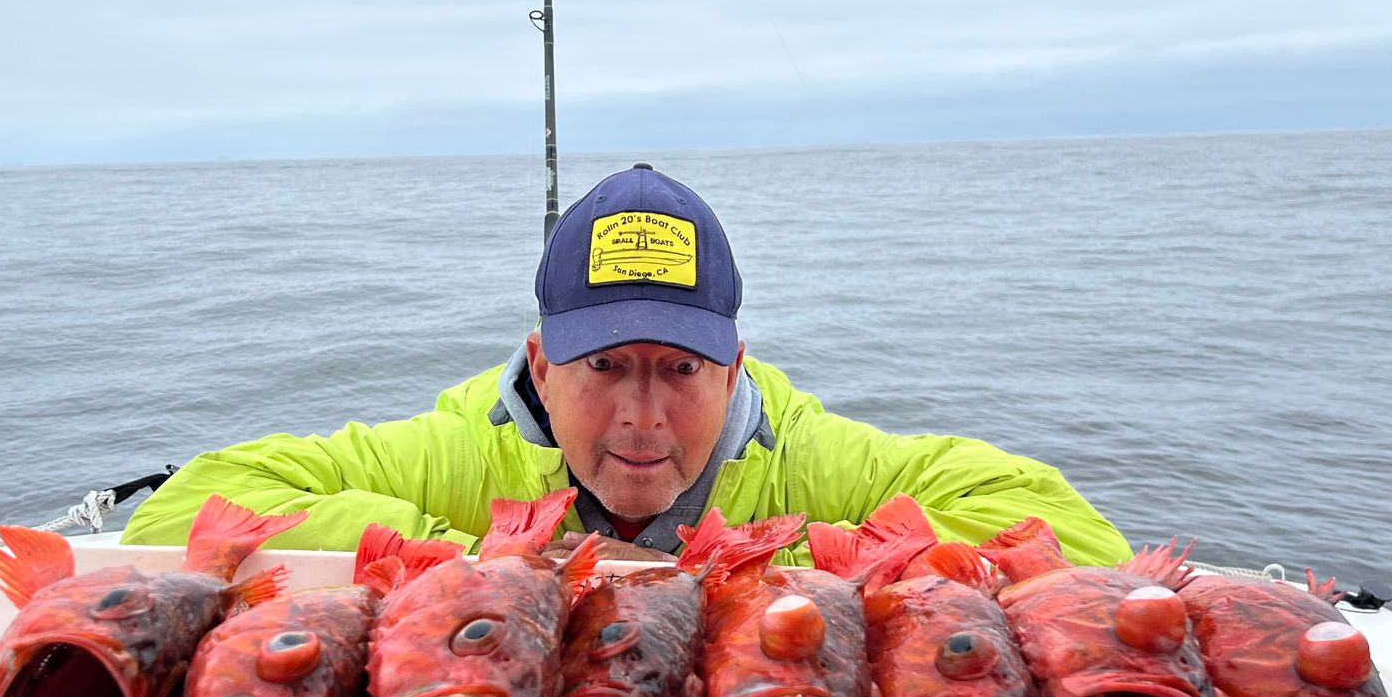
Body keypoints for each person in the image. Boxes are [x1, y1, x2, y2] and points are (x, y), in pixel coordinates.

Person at [121, 164, 1130, 566]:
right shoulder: (471, 454)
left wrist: (761, 569)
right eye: (605, 365)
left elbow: (1080, 540)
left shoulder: (796, 456)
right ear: (540, 367)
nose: (643, 417)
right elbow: (185, 508)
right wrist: (479, 567)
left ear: (733, 373)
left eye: (681, 370)